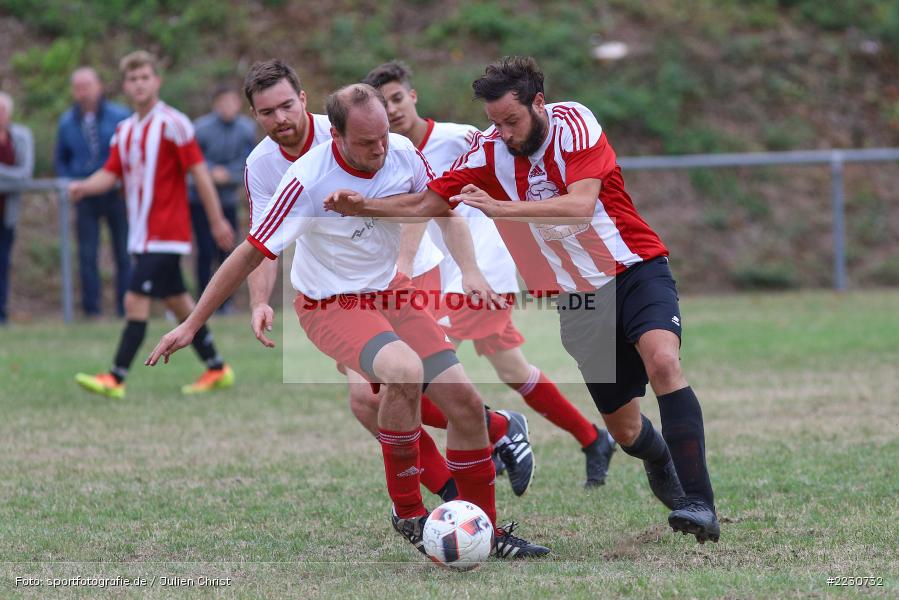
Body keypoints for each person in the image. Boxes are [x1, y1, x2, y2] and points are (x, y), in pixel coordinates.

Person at [324, 56, 720, 544]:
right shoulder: (488, 152)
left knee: (663, 362)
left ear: (538, 103)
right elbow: (429, 202)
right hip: (578, 302)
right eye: (495, 123)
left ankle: (699, 504)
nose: (504, 132)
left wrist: (500, 209)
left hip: (634, 269)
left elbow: (580, 205)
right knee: (626, 429)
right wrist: (364, 205)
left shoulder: (574, 122)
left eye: (512, 121)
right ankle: (657, 457)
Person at [146, 83, 550, 559]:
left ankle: (487, 530)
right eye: (365, 142)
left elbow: (443, 210)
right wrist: (191, 324)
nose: (380, 148)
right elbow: (248, 254)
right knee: (402, 373)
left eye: (382, 136)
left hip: (391, 294)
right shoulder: (305, 181)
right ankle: (408, 512)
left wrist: (471, 270)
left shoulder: (401, 152)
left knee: (465, 402)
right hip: (330, 304)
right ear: (334, 135)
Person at [241, 60, 535, 502]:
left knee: (398, 385)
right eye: (267, 113)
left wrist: (409, 258)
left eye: (286, 106)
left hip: (408, 273)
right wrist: (260, 299)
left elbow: (423, 200)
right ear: (255, 116)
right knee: (370, 401)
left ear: (303, 100)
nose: (280, 119)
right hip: (342, 288)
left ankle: (468, 471)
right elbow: (264, 238)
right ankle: (474, 468)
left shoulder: (350, 129)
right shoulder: (263, 165)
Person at [363, 60, 617, 490]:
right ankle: (592, 438)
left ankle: (496, 435)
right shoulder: (390, 157)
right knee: (512, 368)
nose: (391, 110)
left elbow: (514, 173)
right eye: (382, 104)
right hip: (445, 276)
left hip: (480, 273)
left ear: (413, 96)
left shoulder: (459, 138)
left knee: (418, 377)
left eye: (397, 98)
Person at [69, 50, 236, 398]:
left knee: (134, 300)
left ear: (157, 81)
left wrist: (217, 218)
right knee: (178, 303)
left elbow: (199, 172)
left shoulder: (174, 123)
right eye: (133, 78)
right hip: (142, 236)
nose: (139, 83)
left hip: (167, 234)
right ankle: (217, 368)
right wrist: (84, 186)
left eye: (145, 77)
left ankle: (115, 377)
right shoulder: (125, 129)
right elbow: (110, 173)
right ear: (125, 86)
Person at [55, 67, 132, 318]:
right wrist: (70, 182)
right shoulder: (67, 122)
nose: (83, 93)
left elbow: (129, 152)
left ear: (99, 86)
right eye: (78, 88)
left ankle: (125, 306)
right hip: (84, 195)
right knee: (87, 254)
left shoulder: (120, 116)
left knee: (123, 251)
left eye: (87, 86)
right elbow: (61, 159)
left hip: (117, 194)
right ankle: (92, 309)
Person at [190, 85, 256, 308]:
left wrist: (228, 174)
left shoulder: (246, 129)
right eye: (223, 103)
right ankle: (201, 300)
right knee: (204, 250)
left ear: (239, 104)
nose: (228, 107)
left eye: (232, 102)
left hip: (228, 200)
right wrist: (210, 172)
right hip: (199, 201)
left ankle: (225, 302)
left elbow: (250, 162)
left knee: (228, 251)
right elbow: (192, 161)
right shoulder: (200, 128)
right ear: (216, 105)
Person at [0, 92, 34, 325]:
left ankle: (2, 314)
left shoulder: (20, 136)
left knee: (3, 262)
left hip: (6, 215)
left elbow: (24, 175)